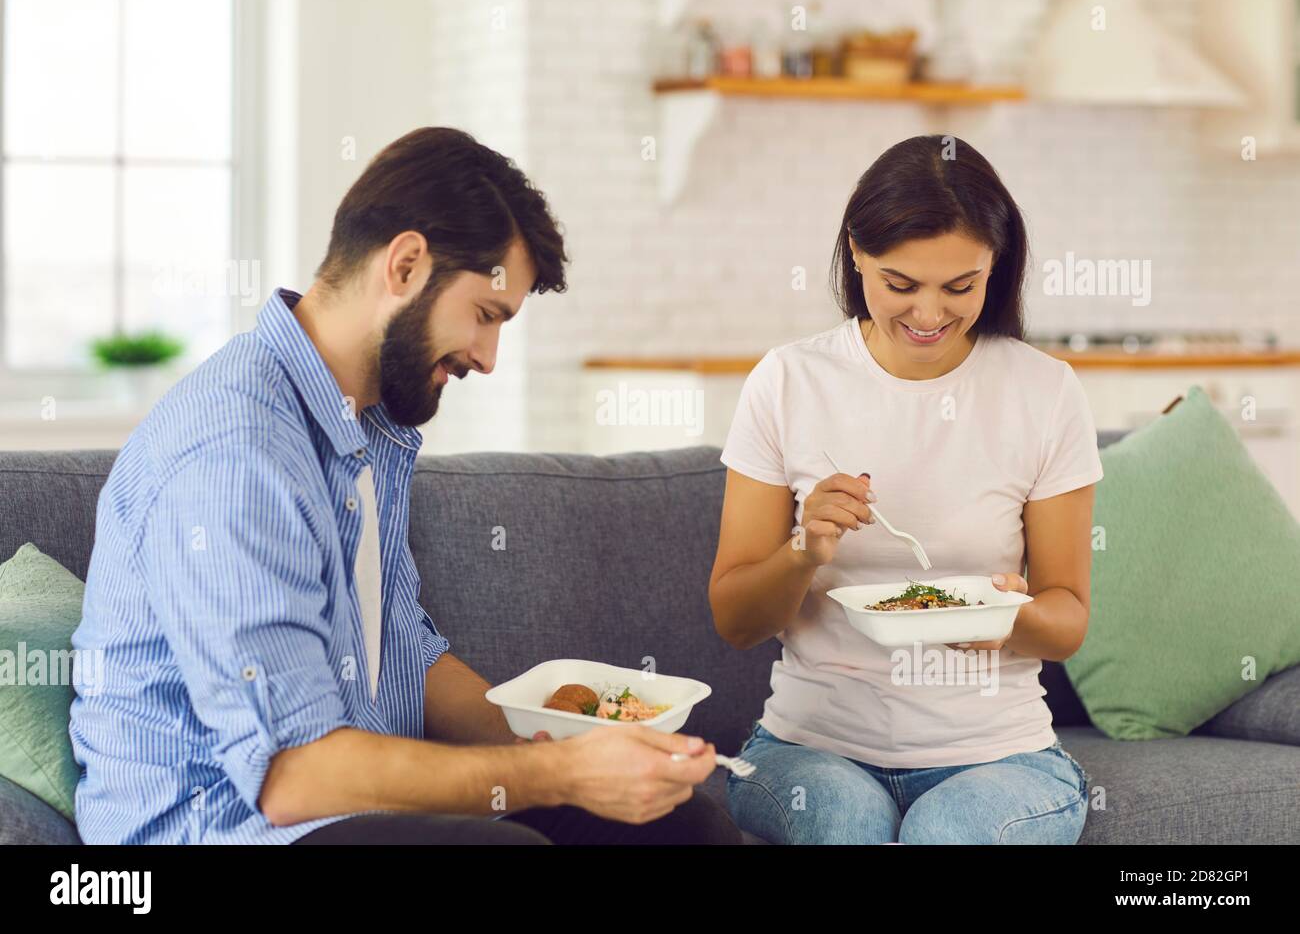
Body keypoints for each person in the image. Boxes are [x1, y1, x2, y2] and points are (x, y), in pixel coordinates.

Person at [70, 127, 740, 845]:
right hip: (234, 823)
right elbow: (291, 776)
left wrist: (571, 747)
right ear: (407, 265)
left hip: (347, 806)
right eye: (486, 315)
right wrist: (563, 775)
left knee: (680, 826)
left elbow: (404, 659)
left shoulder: (366, 432)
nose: (486, 358)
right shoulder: (236, 453)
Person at [709, 134, 1099, 844]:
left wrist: (1008, 618)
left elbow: (1067, 621)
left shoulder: (1044, 392)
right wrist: (803, 550)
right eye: (899, 284)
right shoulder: (788, 382)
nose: (928, 316)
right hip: (809, 749)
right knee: (847, 826)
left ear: (995, 267)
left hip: (1000, 756)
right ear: (855, 253)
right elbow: (736, 621)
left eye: (960, 287)